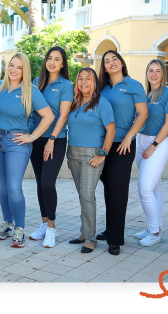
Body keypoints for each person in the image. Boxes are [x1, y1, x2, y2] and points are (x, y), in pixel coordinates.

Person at [0, 52, 54, 248]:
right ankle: (8, 224)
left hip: (17, 142)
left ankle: (20, 227)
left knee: (14, 187)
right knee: (2, 186)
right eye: (11, 65)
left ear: (24, 70)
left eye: (19, 67)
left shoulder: (31, 91)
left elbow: (49, 116)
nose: (14, 70)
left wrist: (32, 136)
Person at [96, 50, 148, 255]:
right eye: (107, 61)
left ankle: (116, 239)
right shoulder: (101, 88)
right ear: (105, 67)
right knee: (108, 187)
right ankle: (110, 229)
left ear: (121, 62)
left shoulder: (134, 85)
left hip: (124, 145)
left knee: (118, 189)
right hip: (102, 145)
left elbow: (143, 114)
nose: (111, 63)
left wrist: (129, 137)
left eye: (114, 59)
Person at [28, 47, 74, 248]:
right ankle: (45, 224)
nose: (52, 62)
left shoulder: (66, 85)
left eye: (57, 59)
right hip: (36, 138)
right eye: (49, 58)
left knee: (48, 183)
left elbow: (63, 116)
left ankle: (52, 228)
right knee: (39, 183)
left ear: (63, 64)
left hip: (55, 139)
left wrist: (52, 139)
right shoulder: (37, 84)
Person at [66, 68, 115, 253]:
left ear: (95, 82)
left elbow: (111, 130)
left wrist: (102, 153)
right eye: (80, 79)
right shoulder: (75, 102)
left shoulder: (102, 103)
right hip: (73, 153)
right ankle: (84, 232)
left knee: (87, 195)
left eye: (88, 79)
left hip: (92, 154)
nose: (84, 82)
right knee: (82, 195)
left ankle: (90, 238)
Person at [133, 60, 168, 247]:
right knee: (155, 187)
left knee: (145, 188)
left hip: (158, 143)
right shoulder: (145, 94)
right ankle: (154, 225)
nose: (154, 74)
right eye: (150, 70)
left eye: (158, 71)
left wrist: (153, 145)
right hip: (140, 140)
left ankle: (155, 232)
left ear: (163, 74)